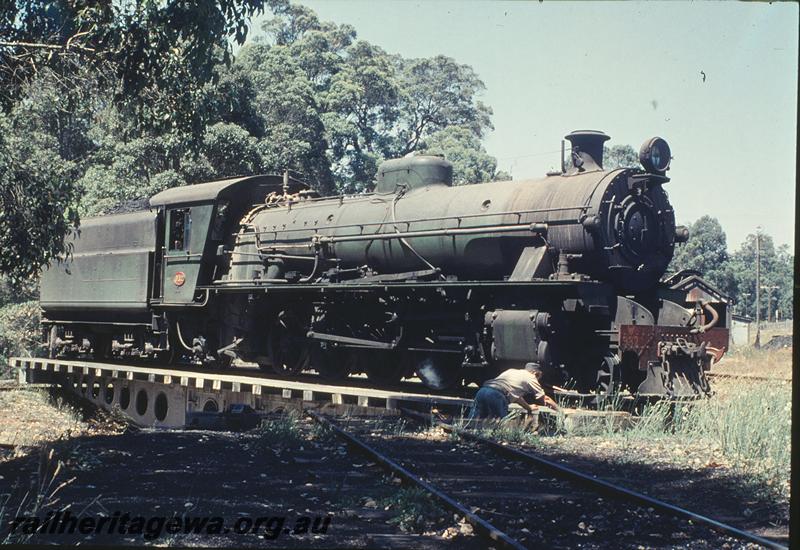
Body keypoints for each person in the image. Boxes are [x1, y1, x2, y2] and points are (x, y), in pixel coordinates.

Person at [468, 363, 559, 420]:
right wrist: (560, 411)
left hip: (482, 391)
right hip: (497, 396)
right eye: (539, 377)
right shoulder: (531, 377)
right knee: (500, 427)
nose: (538, 380)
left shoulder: (512, 371)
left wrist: (529, 408)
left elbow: (516, 397)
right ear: (536, 373)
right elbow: (545, 399)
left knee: (472, 423)